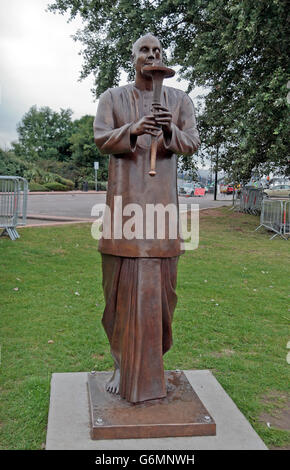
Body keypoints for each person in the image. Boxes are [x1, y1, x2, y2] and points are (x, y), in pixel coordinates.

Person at [93, 33, 200, 403]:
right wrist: (134, 129)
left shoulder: (179, 100)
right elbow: (101, 138)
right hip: (123, 212)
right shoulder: (112, 98)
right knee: (117, 298)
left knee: (164, 299)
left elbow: (192, 142)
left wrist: (169, 128)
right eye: (144, 50)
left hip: (162, 216)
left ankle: (154, 363)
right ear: (133, 57)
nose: (151, 56)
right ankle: (121, 363)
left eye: (157, 51)